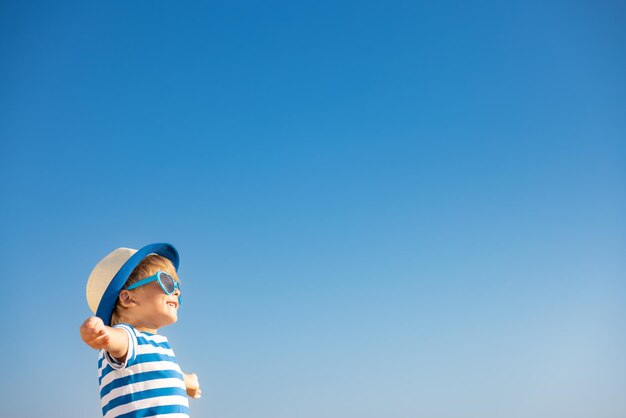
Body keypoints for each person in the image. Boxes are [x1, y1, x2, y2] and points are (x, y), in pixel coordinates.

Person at [80, 243, 201, 417]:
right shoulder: (129, 337)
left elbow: (168, 372)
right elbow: (118, 341)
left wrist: (190, 382)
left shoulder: (155, 345)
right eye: (166, 281)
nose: (175, 292)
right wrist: (103, 334)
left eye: (177, 287)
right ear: (128, 298)